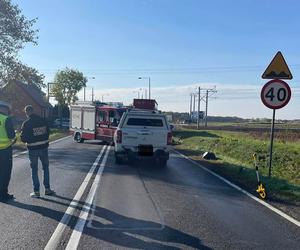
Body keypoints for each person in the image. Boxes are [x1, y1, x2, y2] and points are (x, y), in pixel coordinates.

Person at [20, 105, 55, 198]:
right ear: (33, 110)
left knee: (34, 170)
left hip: (33, 149)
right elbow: (48, 132)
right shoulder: (43, 120)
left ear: (27, 112)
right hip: (44, 148)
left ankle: (36, 192)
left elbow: (23, 139)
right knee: (45, 168)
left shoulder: (26, 123)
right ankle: (47, 189)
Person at [0, 101, 16, 201]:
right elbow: (11, 136)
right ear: (4, 109)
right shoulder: (6, 119)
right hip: (5, 151)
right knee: (5, 173)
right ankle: (3, 195)